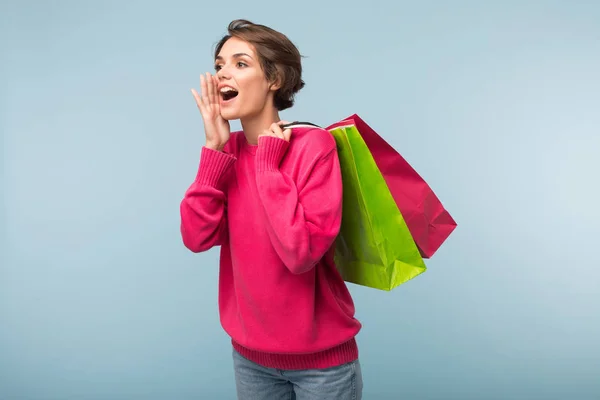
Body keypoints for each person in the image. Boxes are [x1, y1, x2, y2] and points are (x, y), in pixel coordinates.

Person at [180, 19, 363, 399]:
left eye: (240, 63)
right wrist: (213, 151)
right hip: (250, 360)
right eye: (219, 65)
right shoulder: (226, 152)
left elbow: (300, 254)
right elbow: (196, 238)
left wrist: (267, 166)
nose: (222, 74)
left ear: (274, 79)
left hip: (322, 365)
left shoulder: (313, 146)